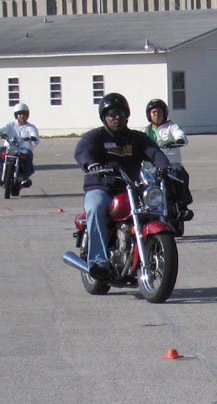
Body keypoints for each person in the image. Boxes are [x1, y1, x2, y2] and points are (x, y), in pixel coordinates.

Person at [74, 92, 171, 281]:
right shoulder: (95, 137)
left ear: (127, 115)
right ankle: (98, 261)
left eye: (120, 113)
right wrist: (91, 164)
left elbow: (154, 152)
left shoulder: (137, 138)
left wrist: (165, 167)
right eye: (112, 114)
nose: (116, 117)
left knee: (151, 209)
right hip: (101, 187)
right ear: (104, 117)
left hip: (130, 188)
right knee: (96, 207)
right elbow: (83, 152)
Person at [144, 98, 194, 220]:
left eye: (159, 112)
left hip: (171, 163)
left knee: (180, 174)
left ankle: (182, 206)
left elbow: (179, 134)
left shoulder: (171, 126)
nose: (157, 114)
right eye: (154, 112)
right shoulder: (146, 131)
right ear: (149, 115)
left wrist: (179, 140)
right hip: (151, 165)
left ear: (164, 113)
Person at [0, 102, 39, 188]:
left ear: (27, 115)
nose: (22, 116)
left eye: (24, 114)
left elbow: (35, 138)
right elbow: (0, 129)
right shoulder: (10, 124)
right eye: (19, 114)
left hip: (23, 149)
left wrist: (33, 138)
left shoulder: (31, 127)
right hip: (9, 148)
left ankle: (26, 177)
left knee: (27, 154)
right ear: (16, 115)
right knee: (0, 150)